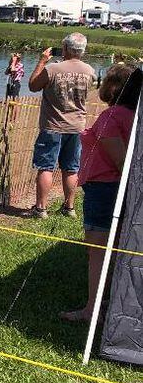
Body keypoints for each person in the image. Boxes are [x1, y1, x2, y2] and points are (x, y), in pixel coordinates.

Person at [60, 64, 141, 321]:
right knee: (112, 248)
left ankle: (91, 310)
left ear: (116, 87)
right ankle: (108, 299)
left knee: (97, 250)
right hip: (112, 188)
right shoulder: (131, 115)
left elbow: (121, 161)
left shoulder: (112, 116)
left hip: (105, 189)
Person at [26, 32, 96, 219]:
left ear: (65, 48)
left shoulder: (53, 69)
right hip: (77, 126)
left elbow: (33, 85)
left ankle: (41, 208)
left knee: (46, 167)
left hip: (53, 125)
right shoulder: (89, 71)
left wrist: (42, 61)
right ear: (82, 50)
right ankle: (69, 207)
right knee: (71, 168)